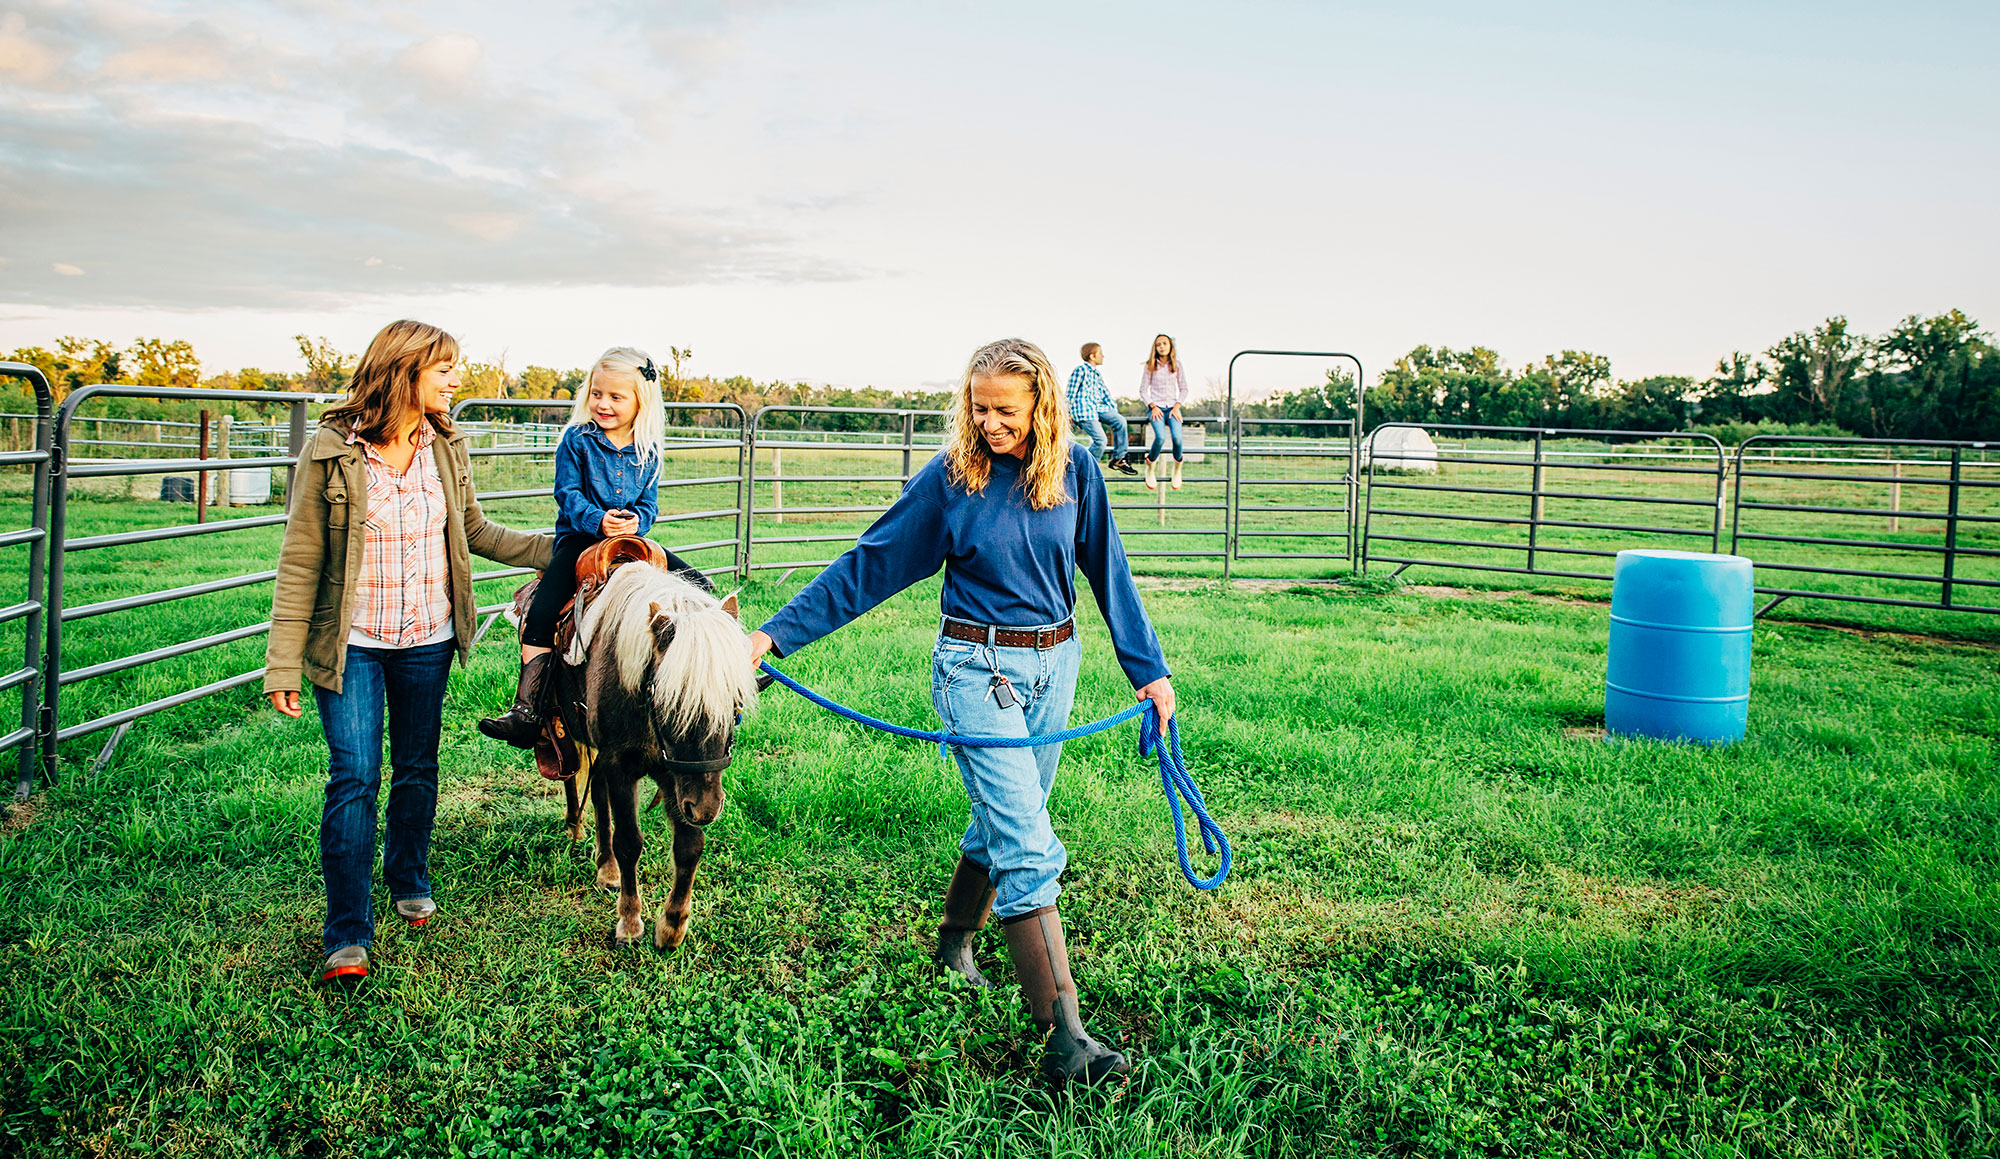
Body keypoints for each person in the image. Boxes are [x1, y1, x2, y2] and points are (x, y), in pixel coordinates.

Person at [746, 337, 1175, 1085]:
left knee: (1008, 813)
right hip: (977, 668)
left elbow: (1110, 570)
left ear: (1042, 404)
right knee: (1028, 842)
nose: (988, 423)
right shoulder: (951, 478)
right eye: (978, 407)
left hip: (1056, 661)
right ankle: (1066, 1039)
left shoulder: (1076, 472)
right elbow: (868, 565)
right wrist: (775, 633)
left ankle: (953, 941)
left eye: (1005, 410)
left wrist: (1150, 670)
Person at [265, 320, 554, 983]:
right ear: (405, 372)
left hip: (428, 637)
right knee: (355, 776)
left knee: (418, 766)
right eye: (445, 369)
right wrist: (283, 660)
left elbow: (476, 530)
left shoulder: (447, 446)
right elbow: (300, 559)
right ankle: (347, 932)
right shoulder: (333, 450)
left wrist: (562, 546)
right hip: (353, 645)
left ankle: (408, 873)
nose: (457, 380)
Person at [479, 346, 697, 748]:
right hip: (581, 539)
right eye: (598, 393)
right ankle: (529, 708)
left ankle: (706, 677)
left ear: (639, 401)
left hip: (631, 542)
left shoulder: (648, 449)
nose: (603, 404)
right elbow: (567, 493)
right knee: (544, 610)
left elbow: (649, 504)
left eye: (616, 397)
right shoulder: (577, 440)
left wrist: (637, 521)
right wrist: (598, 520)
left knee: (696, 585)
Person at [1064, 342, 1136, 475]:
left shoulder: (1097, 374)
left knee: (1120, 421)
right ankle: (1086, 469)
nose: (1103, 356)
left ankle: (1119, 458)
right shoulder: (1080, 370)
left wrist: (1113, 411)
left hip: (1098, 409)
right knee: (1101, 441)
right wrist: (1067, 413)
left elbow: (1105, 394)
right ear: (1092, 356)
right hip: (1084, 411)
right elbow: (1070, 393)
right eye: (1100, 353)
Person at [1139, 333, 1189, 491]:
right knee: (1160, 437)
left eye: (1164, 344)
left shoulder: (1177, 365)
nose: (1162, 347)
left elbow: (1184, 388)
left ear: (1170, 346)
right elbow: (1142, 390)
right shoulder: (1150, 366)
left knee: (1177, 438)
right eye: (1158, 344)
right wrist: (1152, 406)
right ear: (1155, 347)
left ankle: (1177, 468)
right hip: (1157, 409)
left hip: (1173, 408)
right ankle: (1150, 465)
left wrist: (1177, 406)